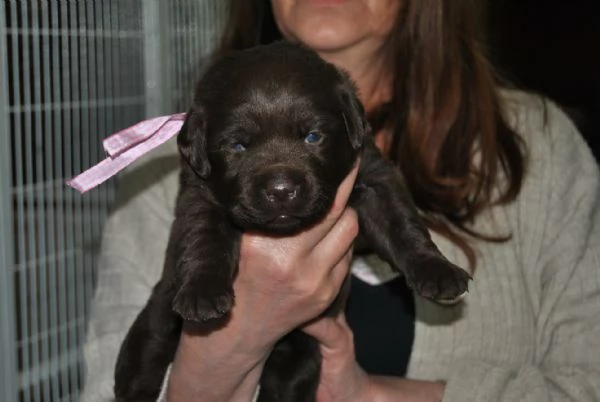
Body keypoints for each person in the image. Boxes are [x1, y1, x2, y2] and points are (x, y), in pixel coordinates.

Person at [81, 0, 600, 401]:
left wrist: (373, 394)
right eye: (239, 144)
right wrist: (232, 340)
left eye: (310, 137)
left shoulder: (543, 146)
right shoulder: (163, 168)